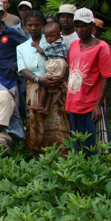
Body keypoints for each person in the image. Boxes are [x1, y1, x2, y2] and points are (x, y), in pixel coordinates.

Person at [17, 11, 71, 156]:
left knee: (57, 121)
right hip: (34, 88)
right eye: (30, 25)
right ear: (26, 27)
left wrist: (55, 80)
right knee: (36, 121)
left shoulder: (52, 42)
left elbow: (65, 62)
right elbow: (22, 69)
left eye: (37, 25)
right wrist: (39, 80)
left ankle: (62, 154)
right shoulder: (21, 47)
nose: (33, 28)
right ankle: (38, 154)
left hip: (55, 87)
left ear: (42, 25)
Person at [66, 8, 111, 156]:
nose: (80, 29)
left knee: (93, 142)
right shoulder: (74, 45)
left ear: (92, 26)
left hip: (91, 102)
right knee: (77, 139)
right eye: (77, 26)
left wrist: (98, 105)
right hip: (74, 100)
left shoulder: (102, 47)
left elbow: (107, 77)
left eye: (84, 26)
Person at [0, 0, 27, 118]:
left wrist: (17, 65)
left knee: (12, 113)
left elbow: (28, 48)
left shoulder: (11, 32)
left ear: (2, 14)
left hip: (8, 79)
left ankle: (15, 135)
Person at [32, 21, 68, 115]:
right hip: (60, 66)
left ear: (58, 34)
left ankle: (41, 103)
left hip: (55, 65)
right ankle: (47, 108)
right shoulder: (62, 43)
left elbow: (43, 52)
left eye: (52, 36)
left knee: (46, 83)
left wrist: (36, 45)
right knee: (51, 88)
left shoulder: (54, 44)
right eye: (47, 36)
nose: (49, 39)